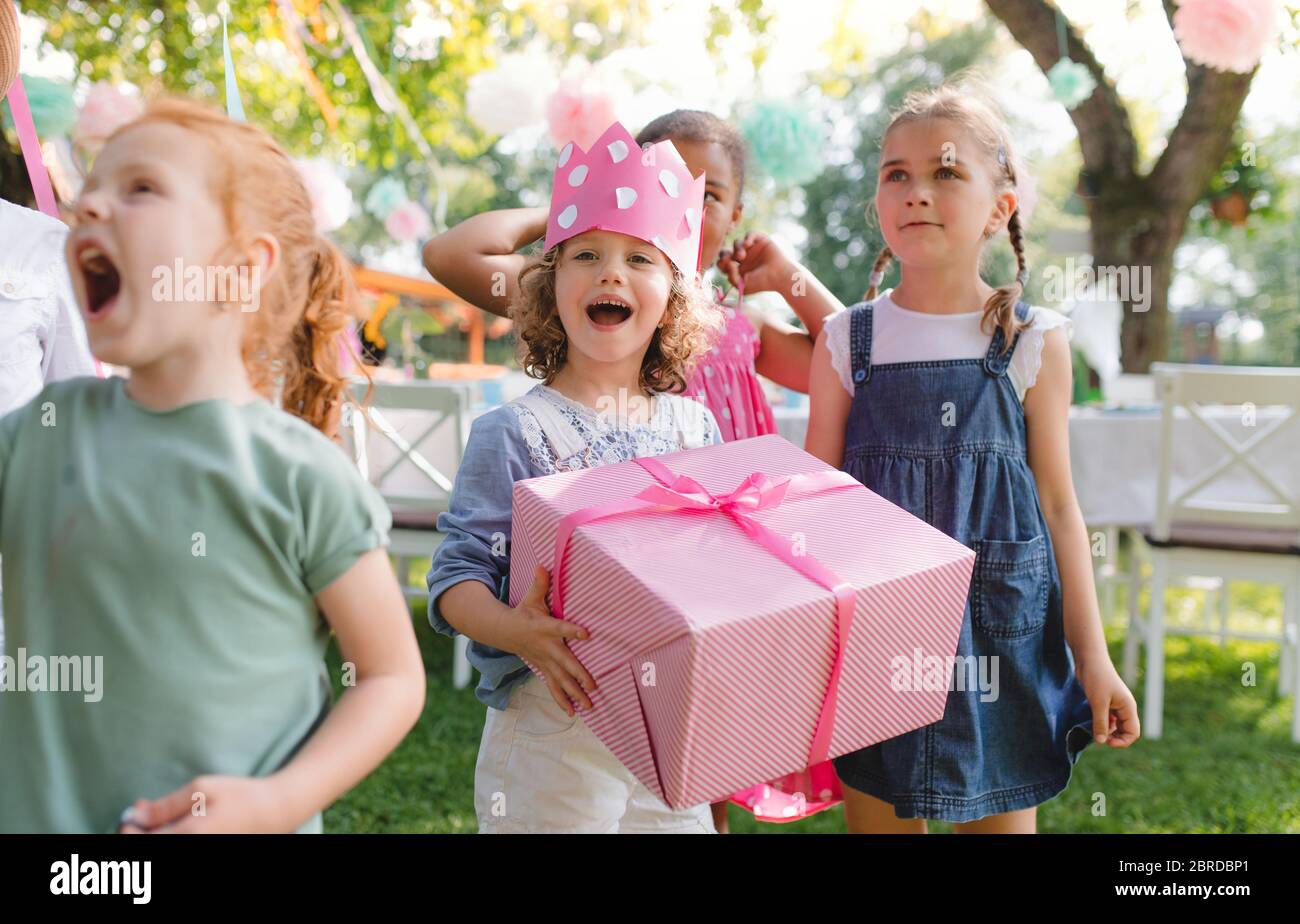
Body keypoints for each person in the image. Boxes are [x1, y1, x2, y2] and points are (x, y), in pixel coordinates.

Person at [0, 99, 426, 833]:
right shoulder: (36, 435)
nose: (89, 202)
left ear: (239, 268)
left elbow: (390, 677)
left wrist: (280, 801)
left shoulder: (299, 477)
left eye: (139, 189)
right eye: (89, 187)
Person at [805, 82, 1139, 833]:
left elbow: (1058, 505)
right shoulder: (846, 341)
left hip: (1001, 637)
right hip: (875, 636)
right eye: (897, 174)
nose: (917, 191)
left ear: (999, 208)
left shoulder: (1032, 341)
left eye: (946, 172)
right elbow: (813, 507)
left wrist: (1095, 659)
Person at [426, 120, 725, 833]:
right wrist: (515, 629)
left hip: (665, 731)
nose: (610, 273)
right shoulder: (512, 434)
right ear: (549, 284)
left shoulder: (696, 431)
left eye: (639, 259)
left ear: (674, 299)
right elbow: (455, 579)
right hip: (551, 730)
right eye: (584, 254)